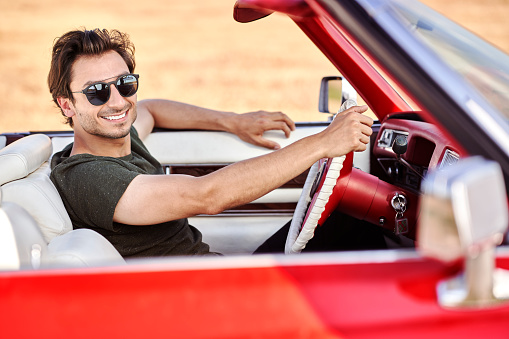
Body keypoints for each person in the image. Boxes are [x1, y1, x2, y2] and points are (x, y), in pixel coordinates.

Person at [49, 28, 375, 258]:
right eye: (97, 91)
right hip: (207, 301)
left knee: (354, 222)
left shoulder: (118, 135)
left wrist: (231, 121)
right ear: (66, 104)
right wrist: (321, 143)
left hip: (215, 273)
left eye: (125, 84)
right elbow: (207, 196)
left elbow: (152, 108)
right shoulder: (90, 177)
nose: (118, 102)